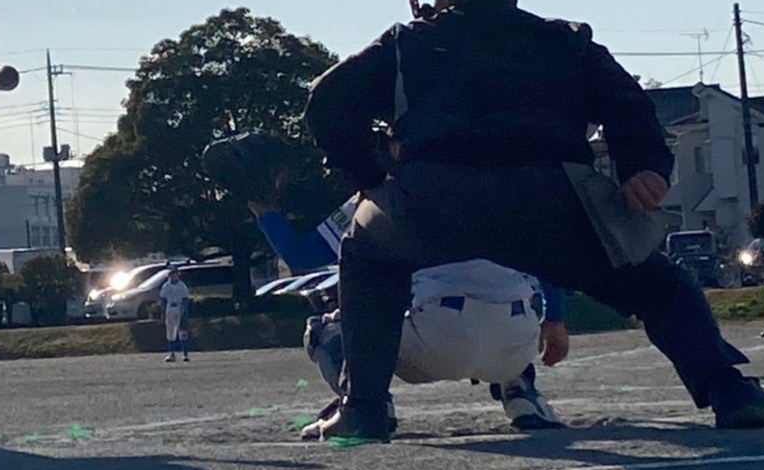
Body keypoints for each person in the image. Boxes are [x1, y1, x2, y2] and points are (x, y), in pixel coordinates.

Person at [301, 0, 764, 444]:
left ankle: (364, 408)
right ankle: (729, 390)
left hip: (434, 194)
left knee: (368, 254)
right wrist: (642, 166)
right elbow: (629, 103)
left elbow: (326, 100)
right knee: (654, 281)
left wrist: (372, 175)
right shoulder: (565, 40)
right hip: (553, 194)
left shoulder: (407, 43)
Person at [201, 133, 566, 431]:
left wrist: (264, 209)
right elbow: (549, 261)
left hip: (436, 340)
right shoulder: (503, 184)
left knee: (324, 331)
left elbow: (304, 256)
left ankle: (366, 405)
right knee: (502, 299)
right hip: (515, 345)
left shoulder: (381, 194)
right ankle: (522, 395)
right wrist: (556, 320)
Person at [159, 266, 192, 361]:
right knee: (170, 332)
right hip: (170, 308)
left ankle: (185, 354)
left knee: (182, 331)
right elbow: (163, 300)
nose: (173, 276)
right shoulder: (166, 286)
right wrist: (163, 312)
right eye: (171, 274)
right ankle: (171, 353)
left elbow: (185, 299)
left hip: (179, 307)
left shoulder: (182, 286)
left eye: (174, 274)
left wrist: (184, 311)